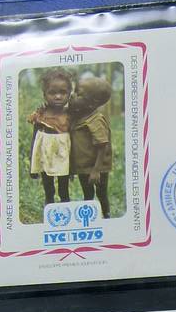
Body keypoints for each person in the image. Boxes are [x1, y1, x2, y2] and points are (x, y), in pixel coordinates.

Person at [28, 67, 73, 209]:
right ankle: (49, 204)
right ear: (44, 94)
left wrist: (73, 166)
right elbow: (35, 138)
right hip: (45, 155)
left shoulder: (70, 115)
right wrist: (32, 161)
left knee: (63, 186)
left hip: (63, 156)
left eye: (63, 92)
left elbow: (75, 141)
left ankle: (65, 207)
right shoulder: (41, 114)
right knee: (48, 184)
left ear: (69, 94)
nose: (58, 96)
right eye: (52, 93)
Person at [69, 76, 113, 218]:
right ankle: (89, 217)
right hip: (83, 167)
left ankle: (106, 215)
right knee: (87, 193)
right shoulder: (78, 117)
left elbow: (102, 145)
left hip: (97, 167)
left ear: (92, 103)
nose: (72, 95)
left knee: (101, 193)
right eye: (74, 91)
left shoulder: (95, 120)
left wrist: (96, 170)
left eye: (78, 93)